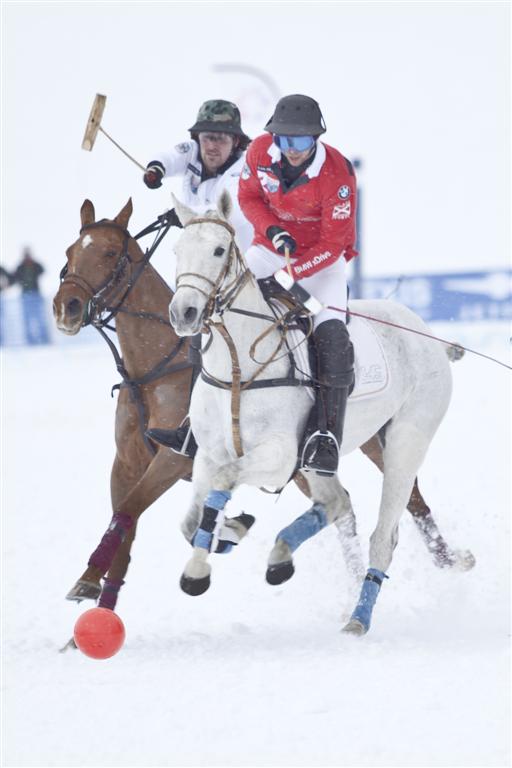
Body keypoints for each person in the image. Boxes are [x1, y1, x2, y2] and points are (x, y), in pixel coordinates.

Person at [237, 94, 358, 476]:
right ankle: (193, 417)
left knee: (332, 338)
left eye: (301, 140)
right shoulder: (259, 152)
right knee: (216, 306)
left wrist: (293, 275)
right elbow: (248, 197)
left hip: (322, 267)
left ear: (316, 138)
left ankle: (326, 436)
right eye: (284, 139)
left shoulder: (338, 174)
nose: (291, 149)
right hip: (269, 252)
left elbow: (334, 243)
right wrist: (272, 230)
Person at [144, 99, 254, 456]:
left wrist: (187, 216)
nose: (212, 145)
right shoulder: (192, 152)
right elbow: (169, 157)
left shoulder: (244, 170)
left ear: (236, 142)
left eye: (221, 138)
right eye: (207, 137)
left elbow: (222, 210)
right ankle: (196, 425)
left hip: (246, 264)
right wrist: (156, 170)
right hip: (207, 266)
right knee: (198, 342)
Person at [11, 248, 50, 345]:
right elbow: (13, 278)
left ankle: (44, 339)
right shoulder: (20, 267)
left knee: (40, 318)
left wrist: (33, 263)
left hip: (36, 294)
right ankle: (30, 340)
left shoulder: (35, 265)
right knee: (27, 319)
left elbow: (42, 270)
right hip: (25, 296)